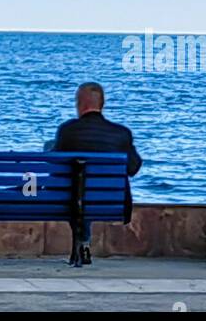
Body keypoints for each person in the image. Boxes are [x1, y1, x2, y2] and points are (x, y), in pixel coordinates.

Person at [50, 82, 141, 264]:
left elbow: (54, 169)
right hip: (111, 203)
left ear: (81, 104)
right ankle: (83, 242)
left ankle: (81, 241)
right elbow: (133, 168)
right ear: (102, 103)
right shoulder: (121, 133)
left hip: (70, 199)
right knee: (85, 191)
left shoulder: (68, 131)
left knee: (77, 190)